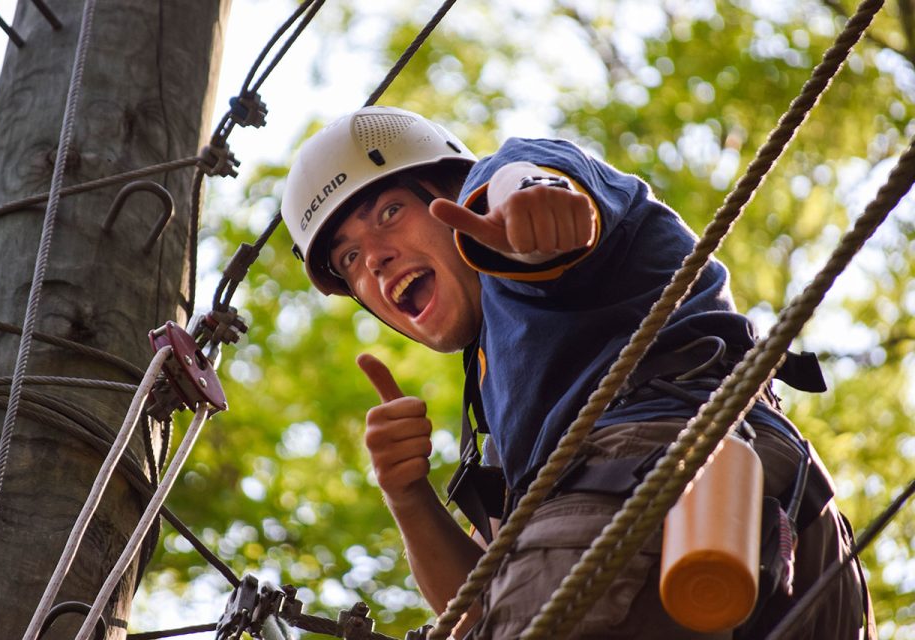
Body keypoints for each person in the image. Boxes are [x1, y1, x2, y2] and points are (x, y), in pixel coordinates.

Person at [281, 106, 873, 639]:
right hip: (799, 543)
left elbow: (531, 192)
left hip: (655, 477)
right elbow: (475, 610)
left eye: (389, 212)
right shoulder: (503, 388)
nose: (375, 257)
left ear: (456, 191)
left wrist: (535, 205)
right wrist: (407, 495)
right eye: (350, 258)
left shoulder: (510, 185)